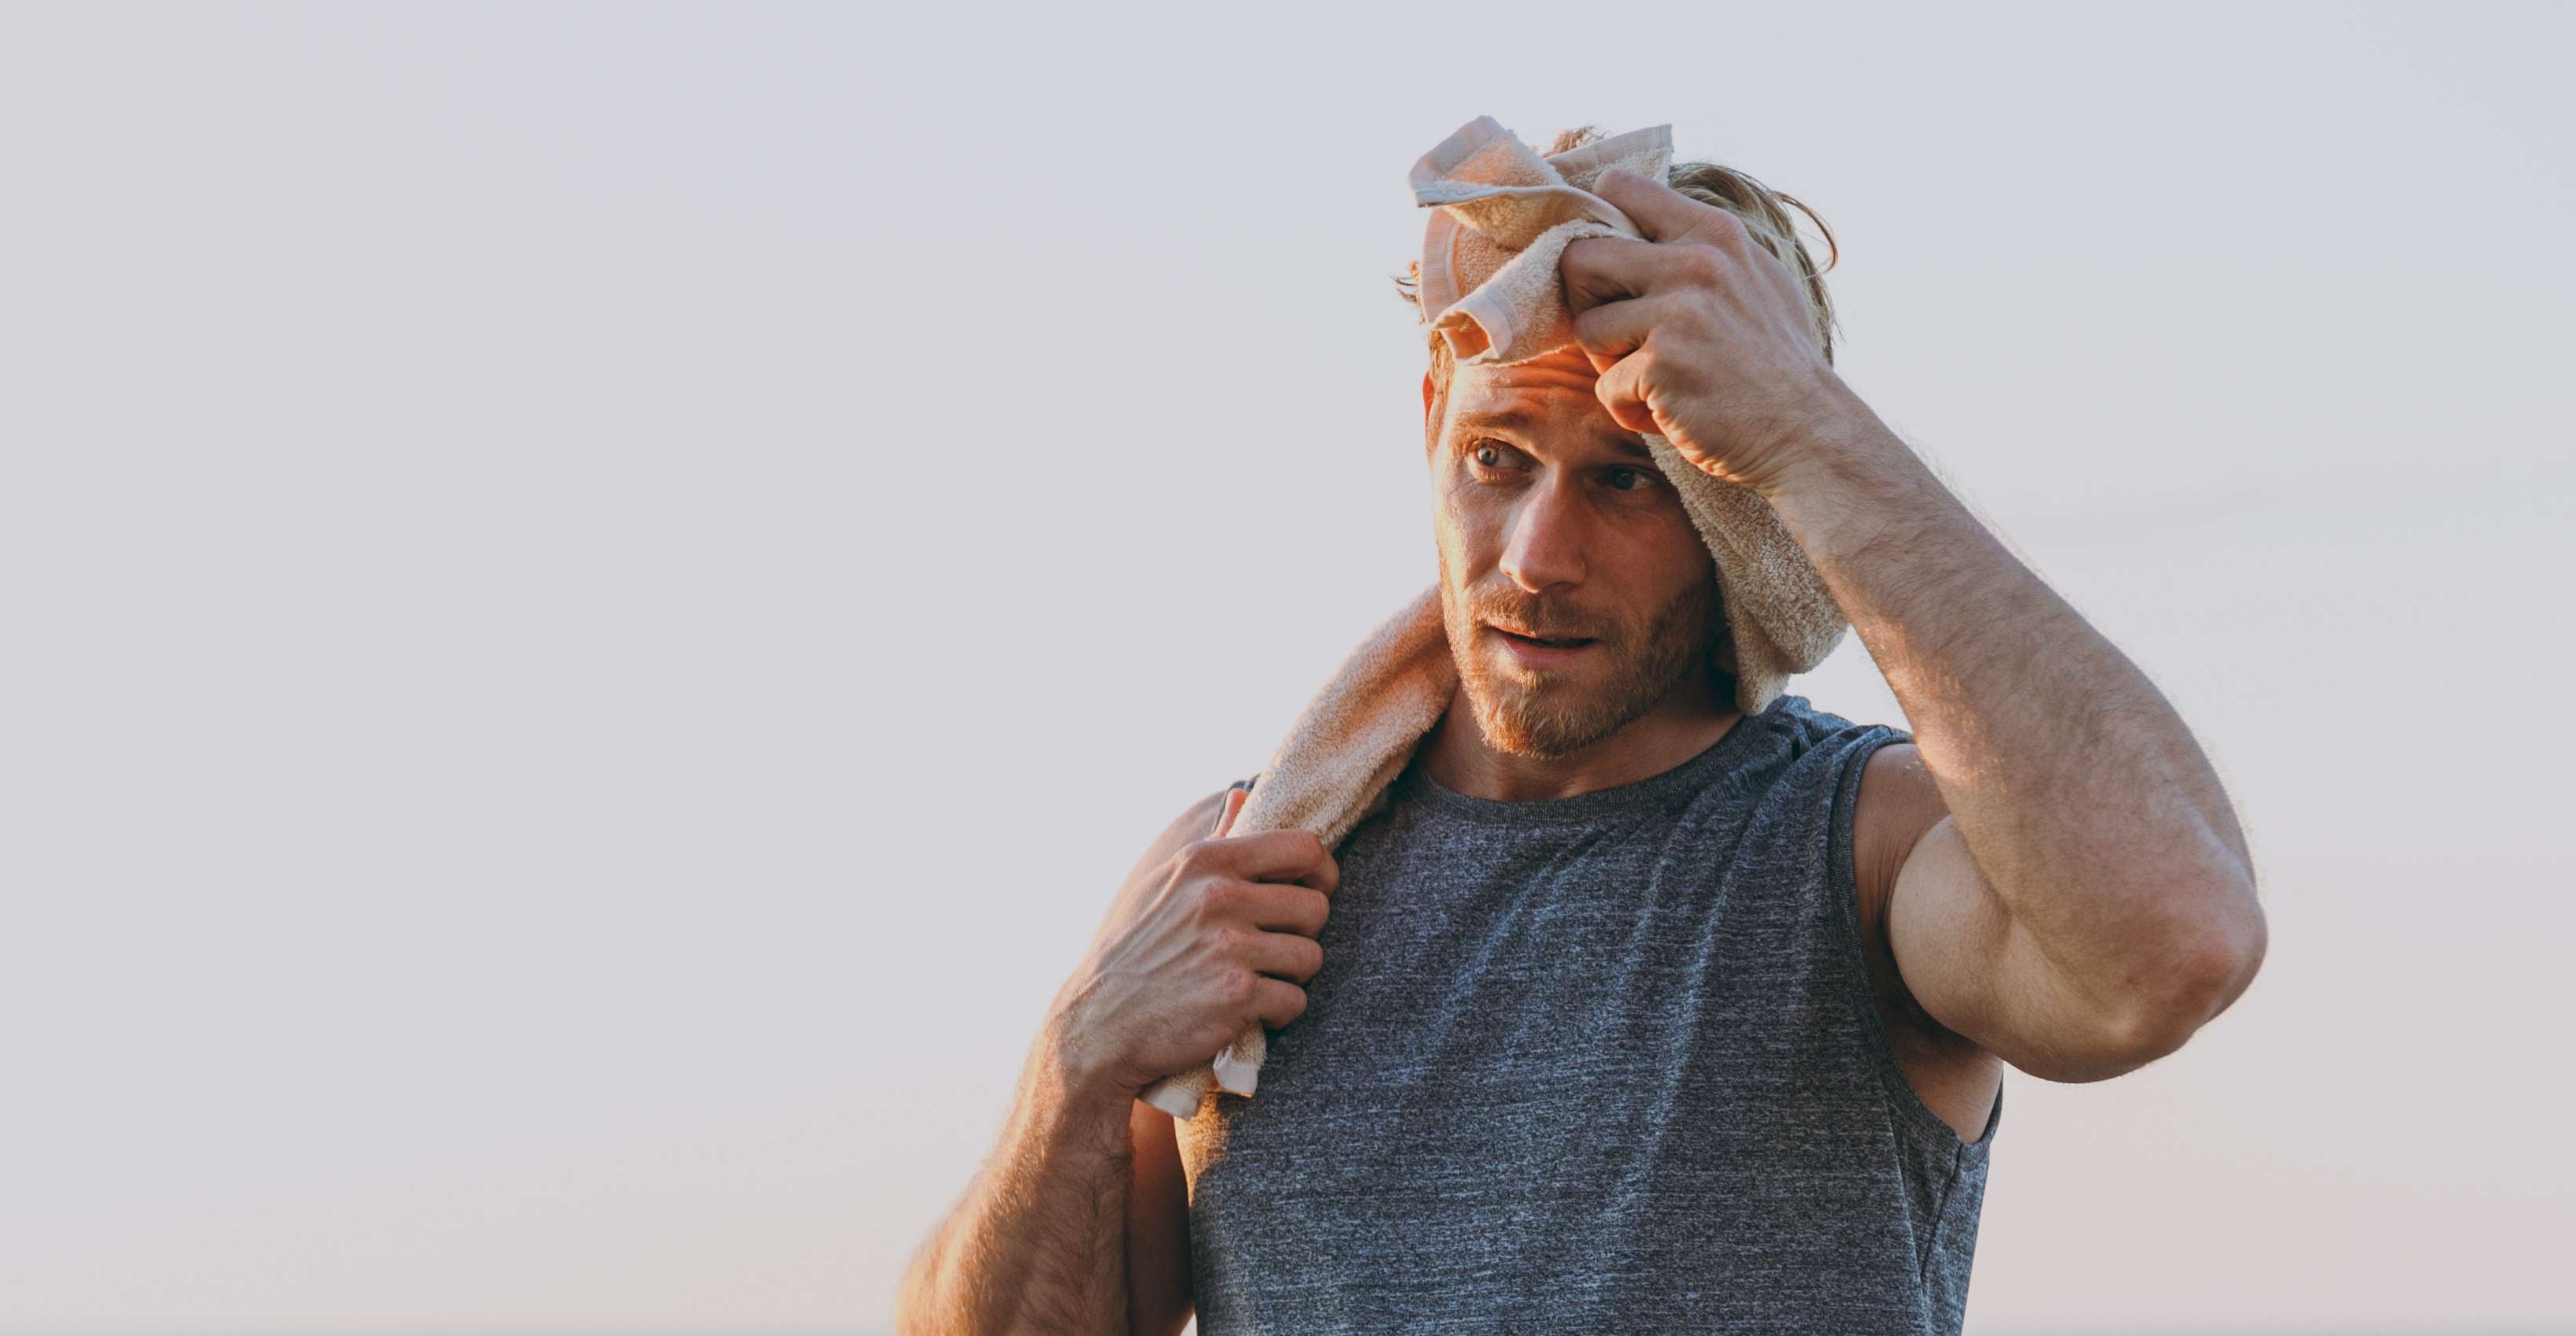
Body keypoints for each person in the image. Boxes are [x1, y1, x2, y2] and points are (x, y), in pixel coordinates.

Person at [895, 125, 2267, 1335]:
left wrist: (1808, 431)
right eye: (1498, 460)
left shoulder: (1857, 848)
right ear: (1435, 415)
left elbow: (2176, 939)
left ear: (1742, 509)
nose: (1539, 554)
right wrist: (1074, 1068)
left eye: (1627, 479)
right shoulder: (1249, 863)